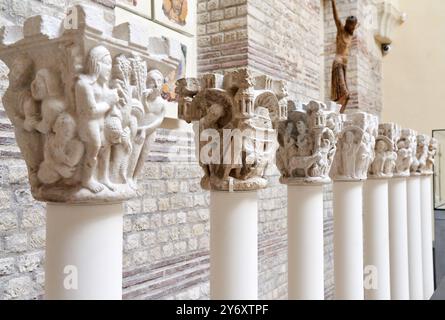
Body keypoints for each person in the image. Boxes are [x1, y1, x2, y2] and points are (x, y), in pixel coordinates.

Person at [75, 45, 119, 193]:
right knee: (94, 148)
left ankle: (104, 177)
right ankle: (87, 179)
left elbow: (110, 101)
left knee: (105, 148)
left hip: (100, 123)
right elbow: (91, 111)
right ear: (96, 63)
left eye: (111, 65)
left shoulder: (103, 85)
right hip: (88, 124)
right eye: (106, 63)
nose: (109, 68)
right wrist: (109, 102)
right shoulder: (84, 84)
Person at [330, 0, 358, 113]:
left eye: (353, 26)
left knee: (347, 96)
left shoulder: (351, 35)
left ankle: (338, 116)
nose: (351, 27)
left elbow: (357, 26)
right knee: (345, 93)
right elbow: (336, 17)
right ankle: (337, 116)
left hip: (344, 66)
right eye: (349, 24)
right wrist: (333, 2)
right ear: (346, 24)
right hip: (338, 63)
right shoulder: (341, 31)